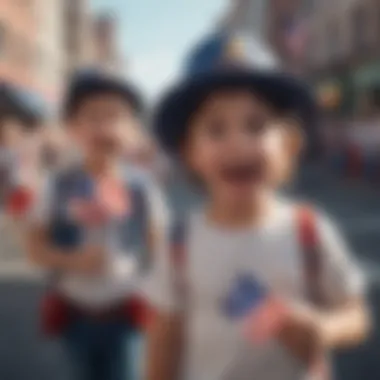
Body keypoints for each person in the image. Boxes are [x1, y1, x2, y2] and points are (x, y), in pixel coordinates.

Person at [145, 33, 370, 380]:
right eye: (216, 129)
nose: (238, 142)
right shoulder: (179, 242)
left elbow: (356, 315)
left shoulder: (308, 229)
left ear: (289, 145)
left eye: (257, 125)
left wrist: (325, 329)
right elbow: (165, 336)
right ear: (190, 153)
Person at [26, 71, 169, 380]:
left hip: (127, 314)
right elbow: (34, 246)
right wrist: (70, 259)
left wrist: (159, 298)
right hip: (75, 314)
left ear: (132, 130)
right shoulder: (57, 185)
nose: (104, 127)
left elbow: (160, 249)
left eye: (115, 116)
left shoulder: (143, 188)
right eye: (92, 116)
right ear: (73, 128)